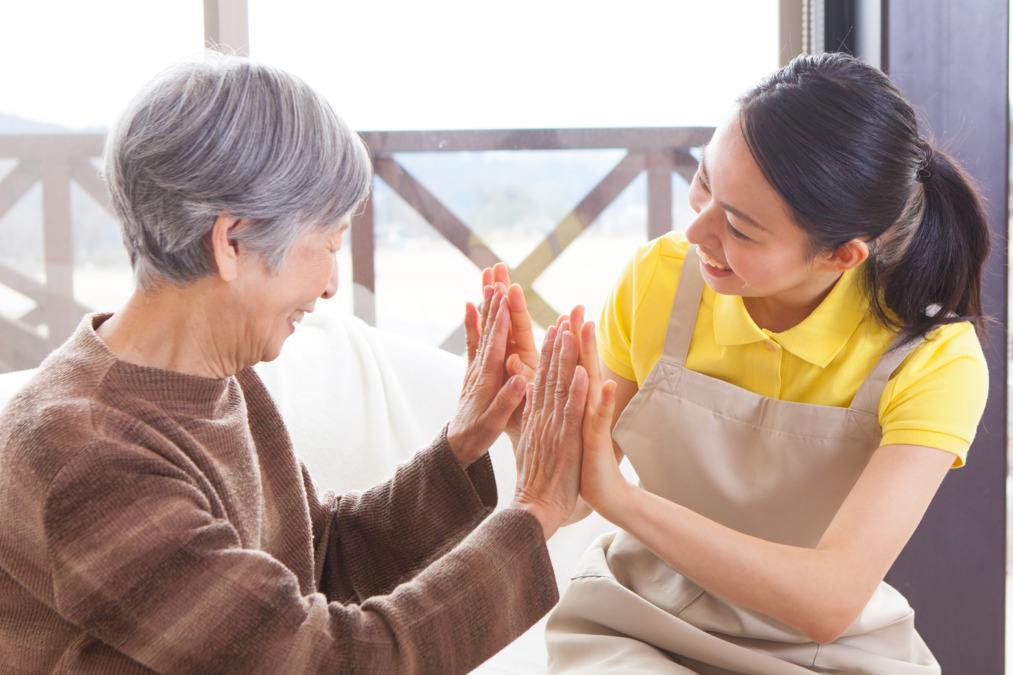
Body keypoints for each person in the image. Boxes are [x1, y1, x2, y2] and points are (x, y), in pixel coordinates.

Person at [0, 53, 597, 674]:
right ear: (231, 242)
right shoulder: (88, 459)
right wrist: (535, 511)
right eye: (328, 243)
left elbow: (317, 558)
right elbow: (327, 661)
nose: (333, 285)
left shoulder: (220, 380)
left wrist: (462, 447)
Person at [543, 52, 991, 673]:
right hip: (638, 623)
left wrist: (623, 501)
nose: (695, 232)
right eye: (703, 181)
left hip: (830, 650)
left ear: (840, 256)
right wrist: (538, 440)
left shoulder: (934, 359)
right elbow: (573, 498)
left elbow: (829, 602)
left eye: (741, 229)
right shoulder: (657, 280)